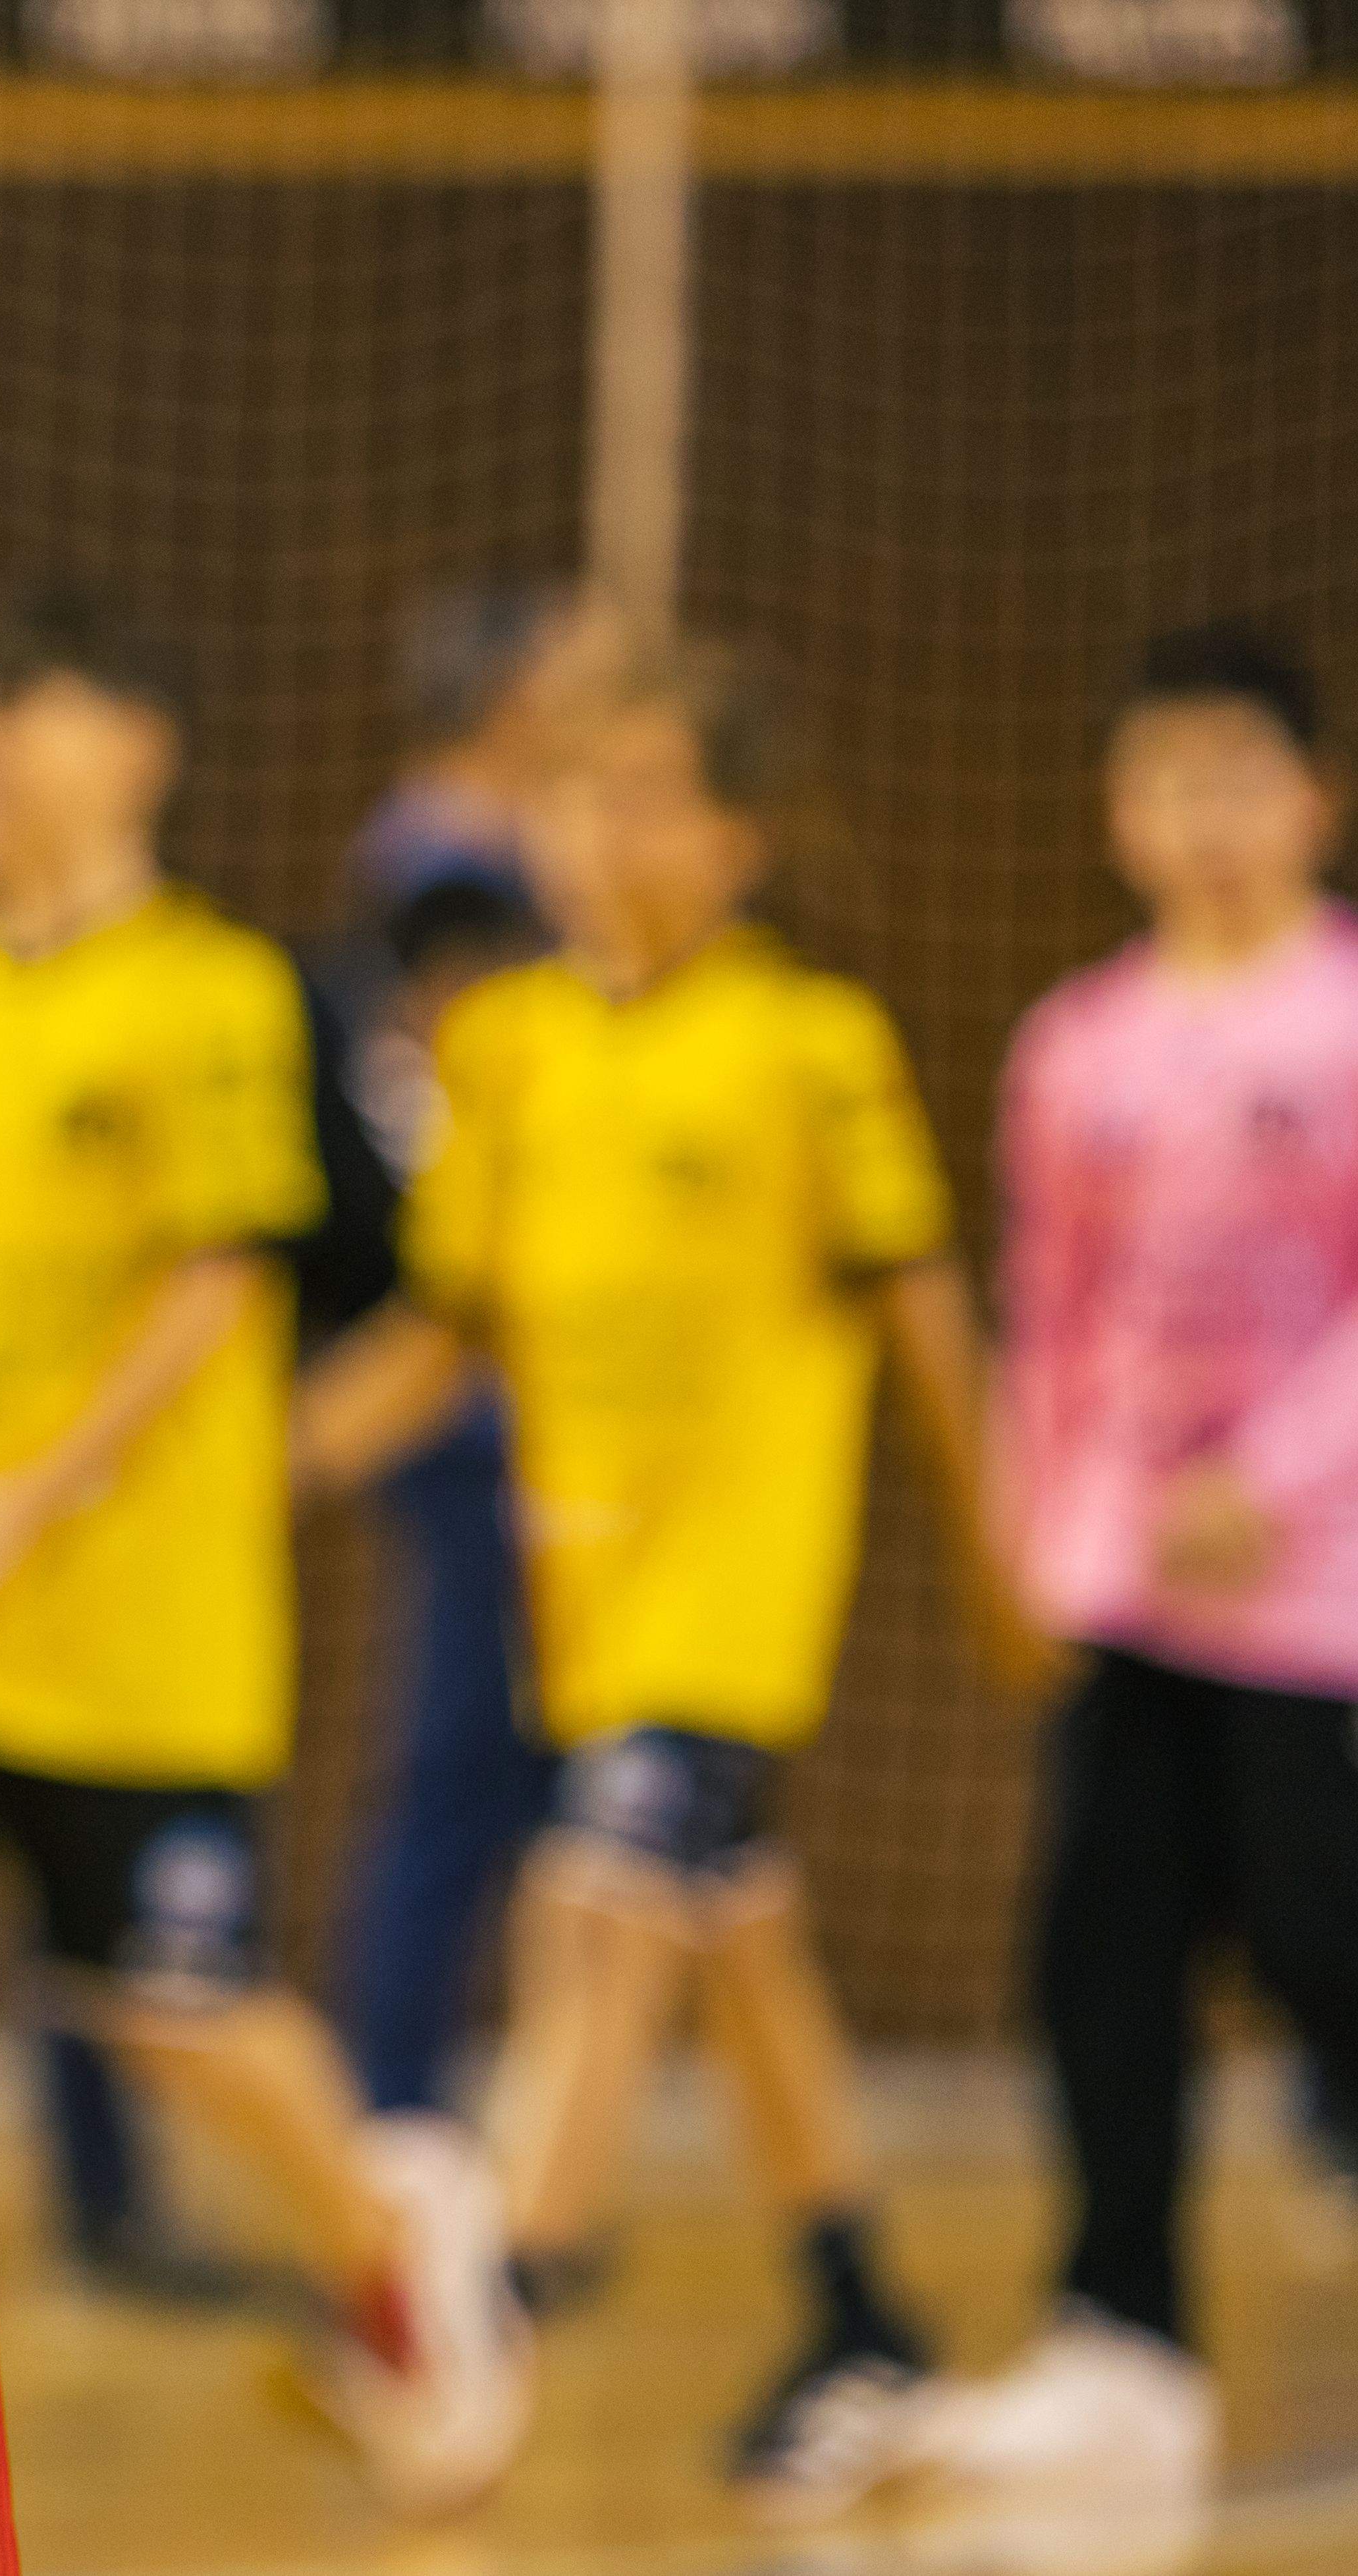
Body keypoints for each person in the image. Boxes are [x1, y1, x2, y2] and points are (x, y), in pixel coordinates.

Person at [0, 581, 530, 2510]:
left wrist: (18, 1511)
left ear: (131, 741)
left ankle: (395, 2255)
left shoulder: (212, 992)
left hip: (133, 1620)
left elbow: (211, 1293)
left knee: (180, 2009)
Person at [297, 634, 1040, 2513]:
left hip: (734, 1596)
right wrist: (258, 1461)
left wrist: (995, 1554)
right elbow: (441, 1333)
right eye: (571, 789)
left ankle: (489, 2310)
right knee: (739, 1943)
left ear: (739, 837)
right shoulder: (514, 1049)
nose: (598, 832)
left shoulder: (810, 1047)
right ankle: (857, 2301)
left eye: (645, 794)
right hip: (587, 1599)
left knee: (599, 1908)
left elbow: (925, 1318)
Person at [907, 623, 1358, 2501]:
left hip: (1314, 1602)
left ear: (1314, 796)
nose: (1203, 818)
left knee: (1325, 1945)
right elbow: (1050, 1311)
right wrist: (1042, 1535)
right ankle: (1121, 2336)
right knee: (1098, 1960)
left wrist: (1276, 1477)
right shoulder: (1074, 1043)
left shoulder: (1341, 1019)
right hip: (1126, 1598)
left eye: (1239, 777)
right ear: (1115, 813)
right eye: (1164, 780)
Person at [320, 586, 587, 2125]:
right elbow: (439, 1127)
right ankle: (401, 2125)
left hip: (517, 1385)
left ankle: (477, 2127)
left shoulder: (481, 848)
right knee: (459, 1766)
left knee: (532, 1780)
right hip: (476, 1390)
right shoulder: (452, 867)